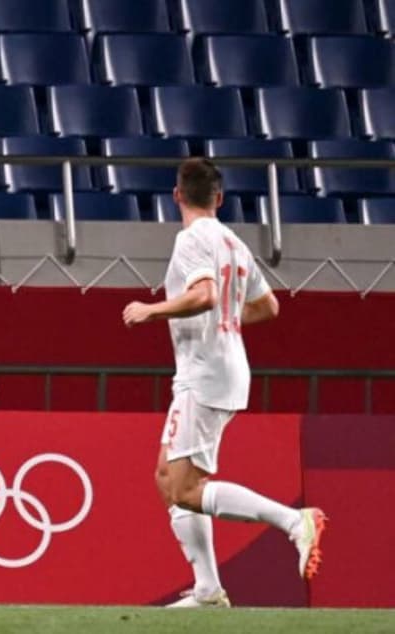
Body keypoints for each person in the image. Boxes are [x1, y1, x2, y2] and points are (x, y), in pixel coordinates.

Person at [122, 158, 327, 608]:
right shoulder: (233, 242)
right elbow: (268, 306)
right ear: (220, 197)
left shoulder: (192, 239)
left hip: (206, 373)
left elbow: (204, 295)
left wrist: (149, 310)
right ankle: (208, 590)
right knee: (165, 476)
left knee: (187, 489)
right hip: (222, 366)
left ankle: (295, 522)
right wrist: (227, 324)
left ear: (177, 195)